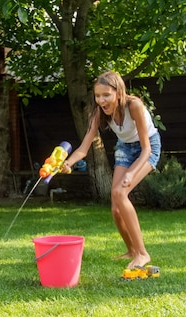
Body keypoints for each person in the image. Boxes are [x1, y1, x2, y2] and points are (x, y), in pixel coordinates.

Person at [62, 71, 161, 270]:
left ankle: (143, 254)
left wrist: (132, 174)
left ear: (118, 92)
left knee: (119, 192)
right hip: (125, 147)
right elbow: (83, 148)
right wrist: (68, 163)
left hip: (147, 147)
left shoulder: (134, 106)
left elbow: (147, 149)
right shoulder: (99, 112)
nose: (101, 100)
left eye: (106, 95)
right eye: (98, 96)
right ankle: (132, 250)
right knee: (115, 207)